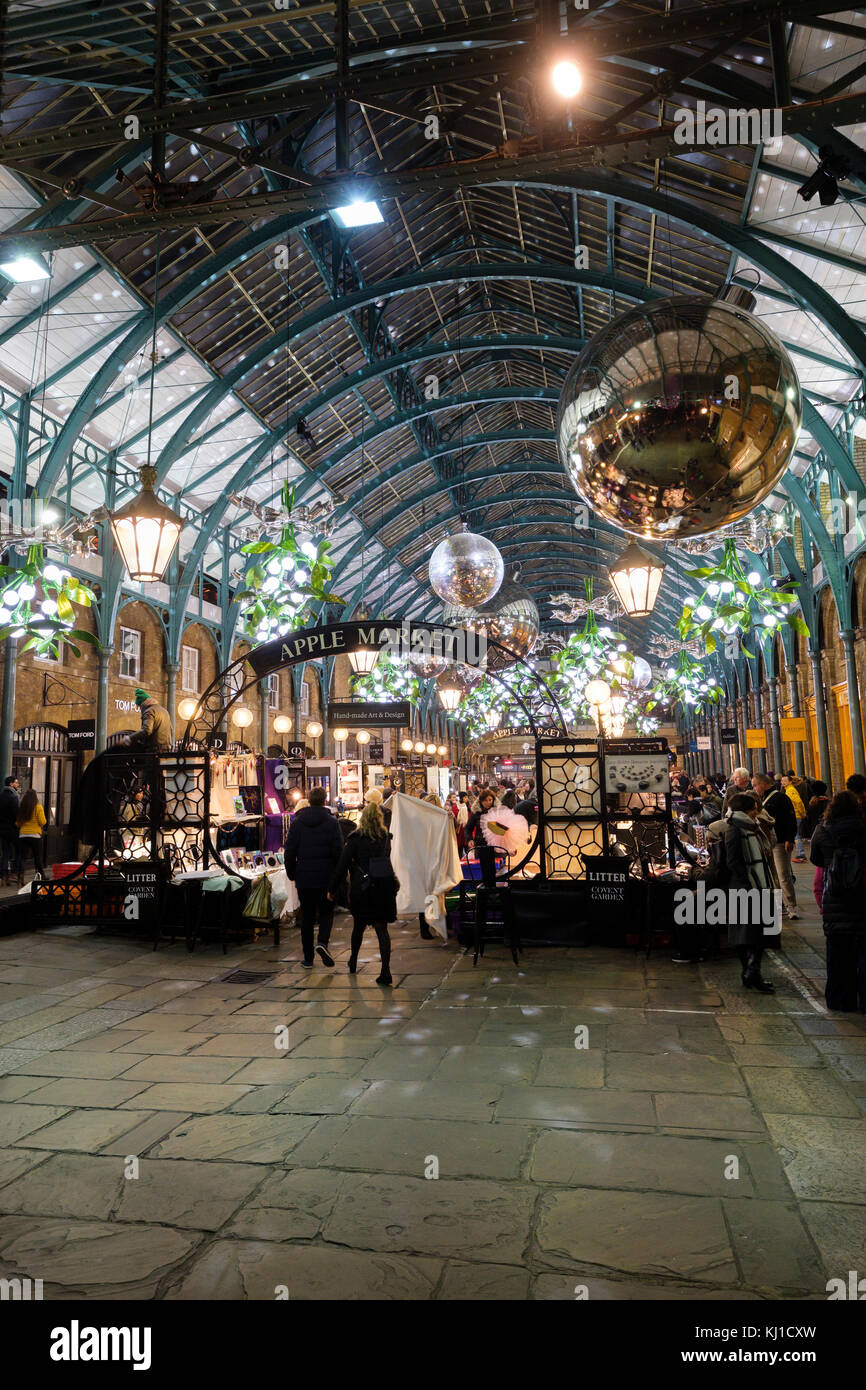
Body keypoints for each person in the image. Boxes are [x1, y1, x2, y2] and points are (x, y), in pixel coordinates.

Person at [329, 798, 398, 986]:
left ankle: (353, 960)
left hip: (363, 889)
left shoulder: (355, 839)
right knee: (382, 930)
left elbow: (342, 866)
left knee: (358, 927)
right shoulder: (385, 838)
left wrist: (332, 889)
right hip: (383, 888)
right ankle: (385, 971)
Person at [810, 791, 866, 1012]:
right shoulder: (863, 828)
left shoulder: (823, 830)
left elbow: (815, 859)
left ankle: (840, 1001)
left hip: (834, 897)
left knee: (837, 954)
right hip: (862, 895)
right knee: (863, 952)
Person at [284, 786, 343, 968]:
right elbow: (338, 852)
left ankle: (308, 958)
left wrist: (292, 873)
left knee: (307, 917)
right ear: (325, 800)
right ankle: (322, 943)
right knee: (326, 912)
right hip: (326, 877)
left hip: (305, 877)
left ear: (309, 800)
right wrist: (337, 877)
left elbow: (289, 851)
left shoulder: (298, 823)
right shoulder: (332, 823)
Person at [724, 792, 777, 993]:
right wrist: (748, 882)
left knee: (758, 932)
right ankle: (751, 971)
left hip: (756, 885)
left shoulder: (750, 827)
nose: (757, 811)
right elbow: (733, 861)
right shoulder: (736, 829)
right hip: (746, 887)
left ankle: (751, 972)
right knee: (748, 934)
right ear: (746, 810)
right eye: (754, 808)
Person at [753, 771, 799, 920]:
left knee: (783, 874)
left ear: (763, 784)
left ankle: (791, 906)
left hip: (779, 842)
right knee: (772, 876)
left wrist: (789, 839)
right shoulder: (759, 799)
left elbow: (790, 819)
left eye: (755, 785)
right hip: (765, 842)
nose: (754, 788)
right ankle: (779, 906)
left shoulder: (780, 798)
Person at [465, 787, 498, 887]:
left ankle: (492, 888)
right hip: (481, 844)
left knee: (492, 868)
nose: (488, 802)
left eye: (490, 800)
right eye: (485, 800)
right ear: (481, 801)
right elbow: (468, 828)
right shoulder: (476, 812)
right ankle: (487, 890)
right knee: (484, 867)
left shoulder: (497, 811)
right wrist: (469, 839)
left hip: (494, 844)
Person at [16, 787, 47, 882]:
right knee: (37, 857)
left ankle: (20, 877)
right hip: (35, 836)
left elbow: (17, 823)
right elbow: (43, 822)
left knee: (22, 858)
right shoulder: (38, 807)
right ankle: (42, 876)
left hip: (23, 835)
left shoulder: (22, 807)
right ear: (35, 797)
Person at [782, 772, 808, 862]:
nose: (783, 782)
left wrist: (803, 813)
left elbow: (798, 802)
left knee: (796, 835)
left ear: (790, 782)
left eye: (785, 781)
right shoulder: (788, 790)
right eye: (782, 781)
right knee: (796, 835)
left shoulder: (790, 790)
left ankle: (801, 854)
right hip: (795, 815)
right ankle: (800, 854)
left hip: (796, 815)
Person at [0, 774, 20, 886]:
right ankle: (14, 873)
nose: (17, 784)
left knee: (5, 852)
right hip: (12, 829)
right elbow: (16, 814)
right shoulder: (14, 797)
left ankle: (3, 876)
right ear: (11, 784)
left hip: (2, 829)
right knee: (19, 850)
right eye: (16, 782)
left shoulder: (1, 795)